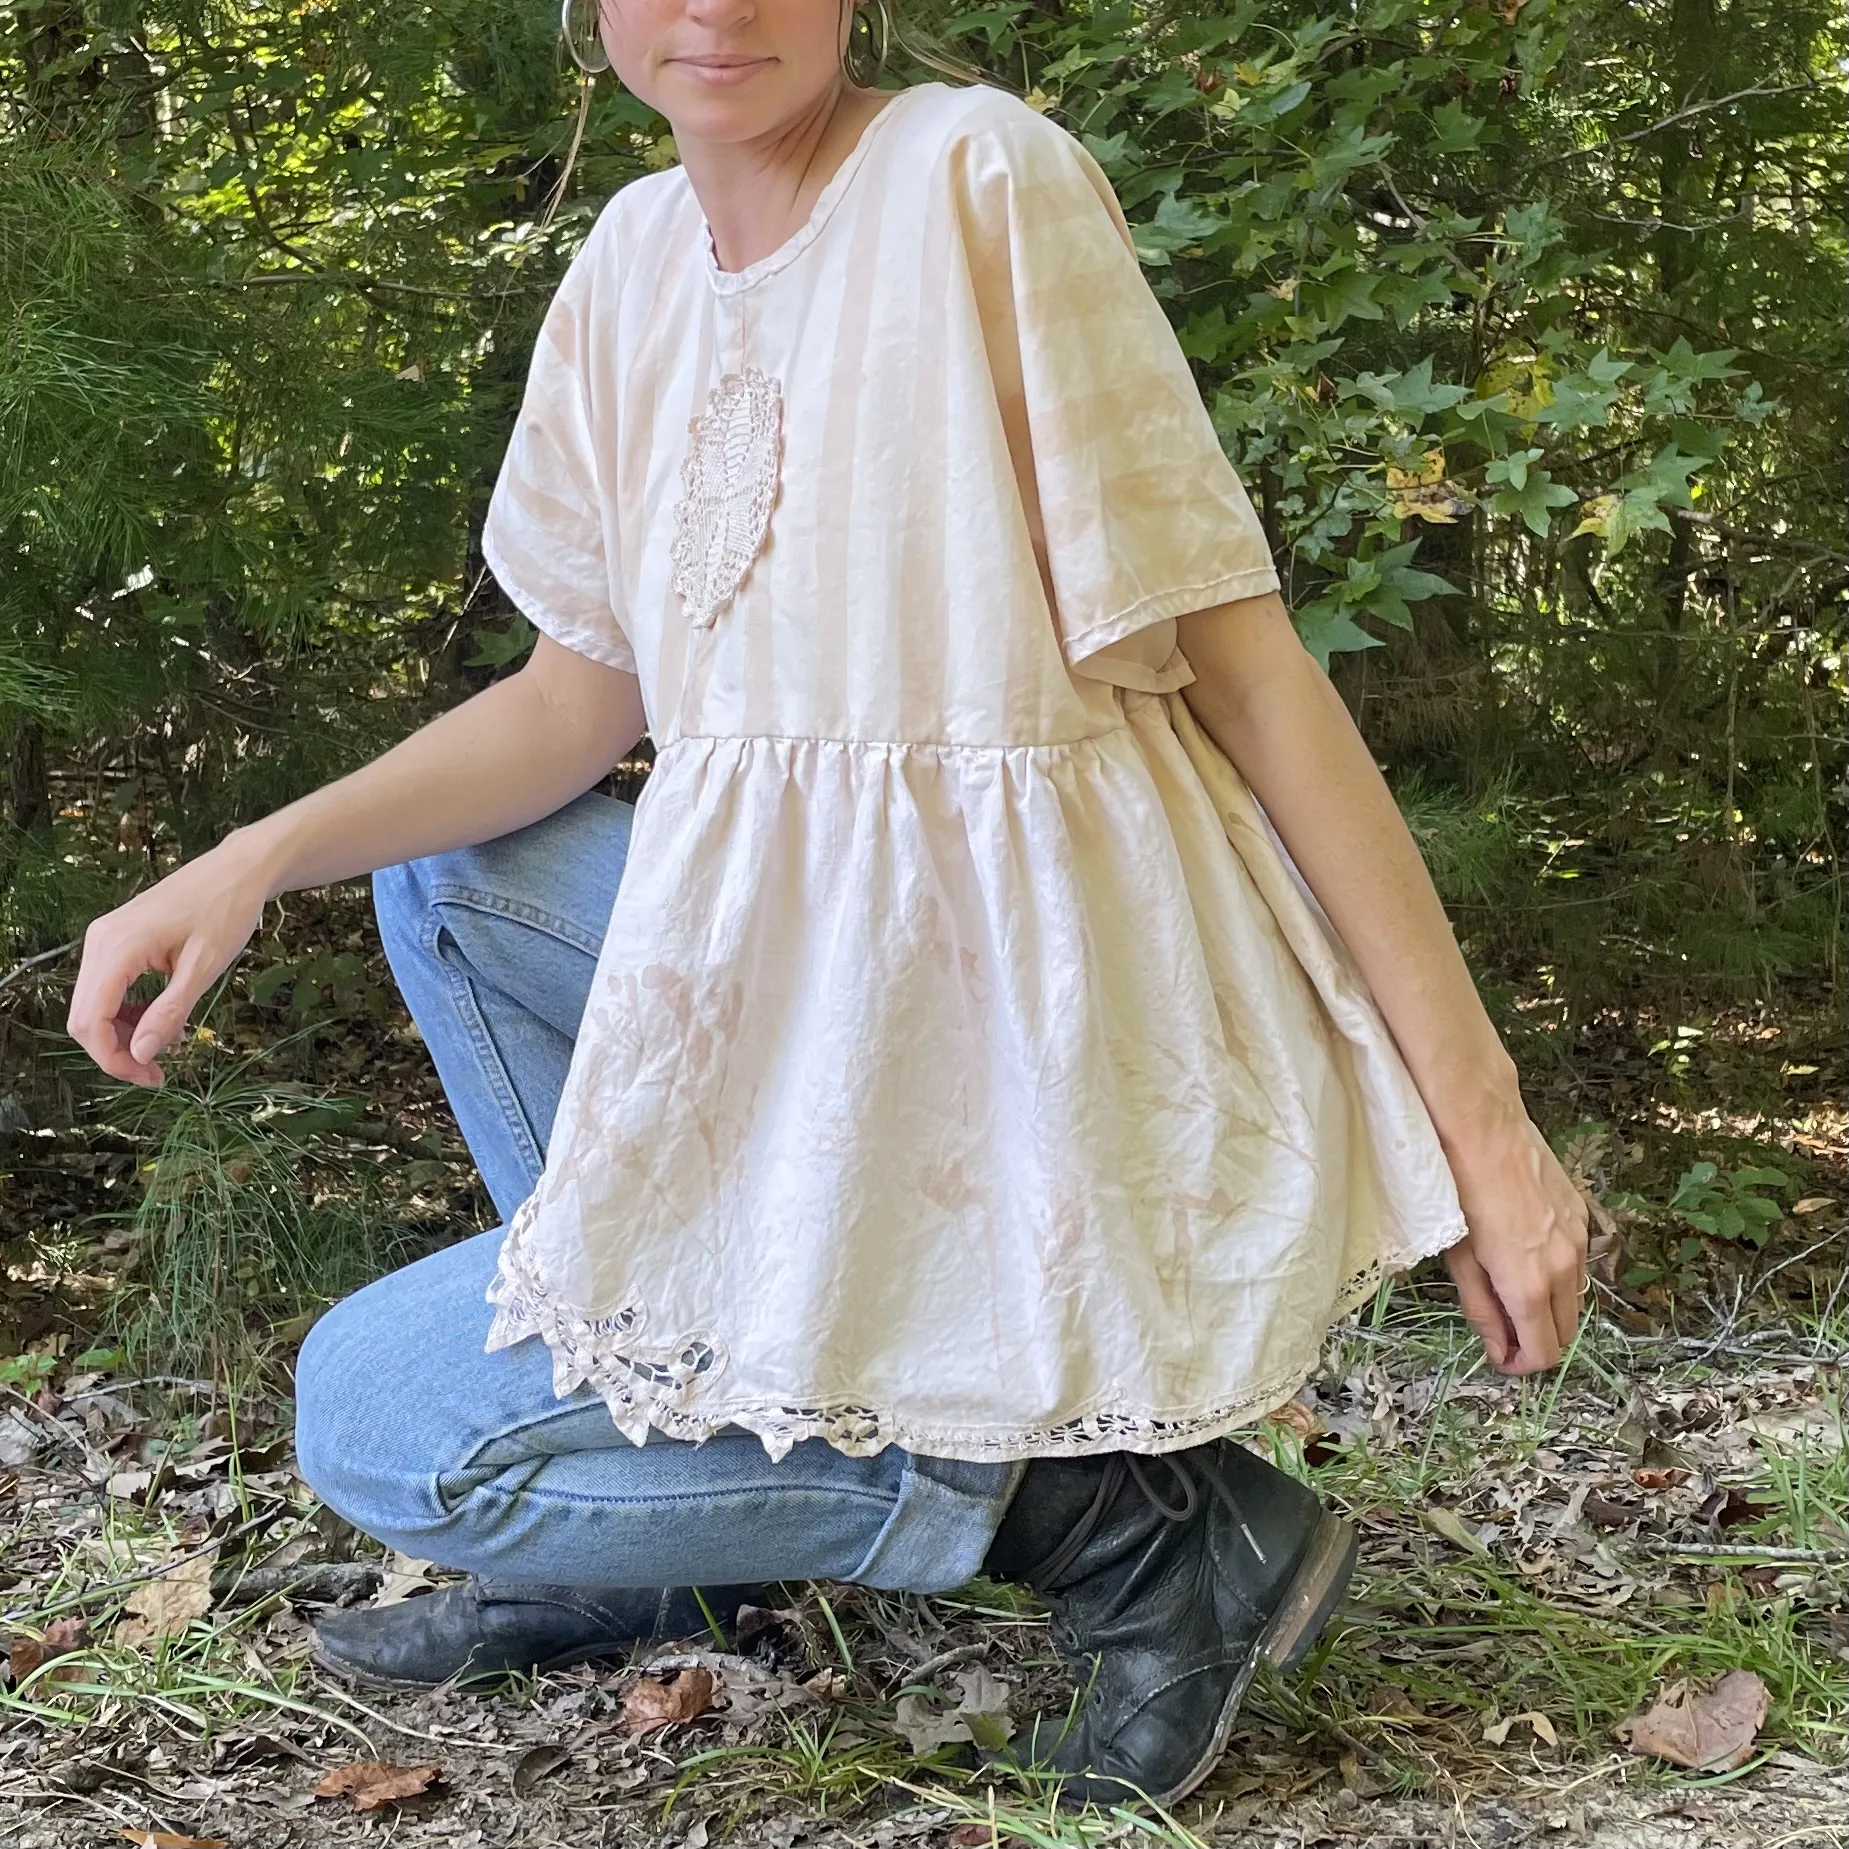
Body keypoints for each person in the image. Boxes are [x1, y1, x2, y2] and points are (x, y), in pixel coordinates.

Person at [65, 0, 1588, 1809]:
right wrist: (247, 855)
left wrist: (1492, 1138)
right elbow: (575, 700)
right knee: (449, 876)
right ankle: (681, 1521)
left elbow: (1251, 668)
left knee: (386, 1428)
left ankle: (1138, 1528)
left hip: (1032, 1015)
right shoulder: (633, 258)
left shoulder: (976, 174)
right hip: (824, 972)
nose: (720, 9)